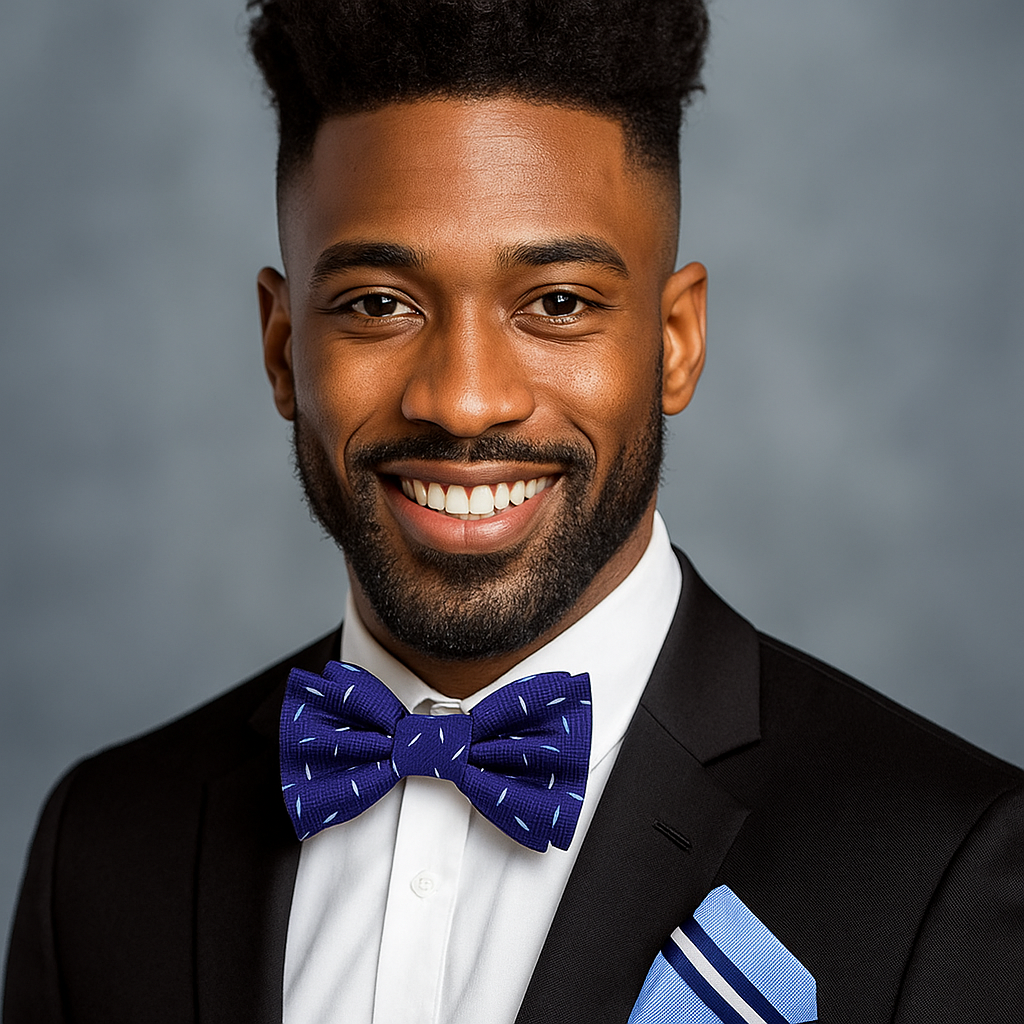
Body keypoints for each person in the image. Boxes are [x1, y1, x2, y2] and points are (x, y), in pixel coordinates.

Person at [5, 0, 1023, 1020]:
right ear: (282, 349)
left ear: (674, 341)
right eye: (376, 304)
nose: (463, 398)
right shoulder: (101, 848)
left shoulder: (943, 864)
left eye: (558, 304)